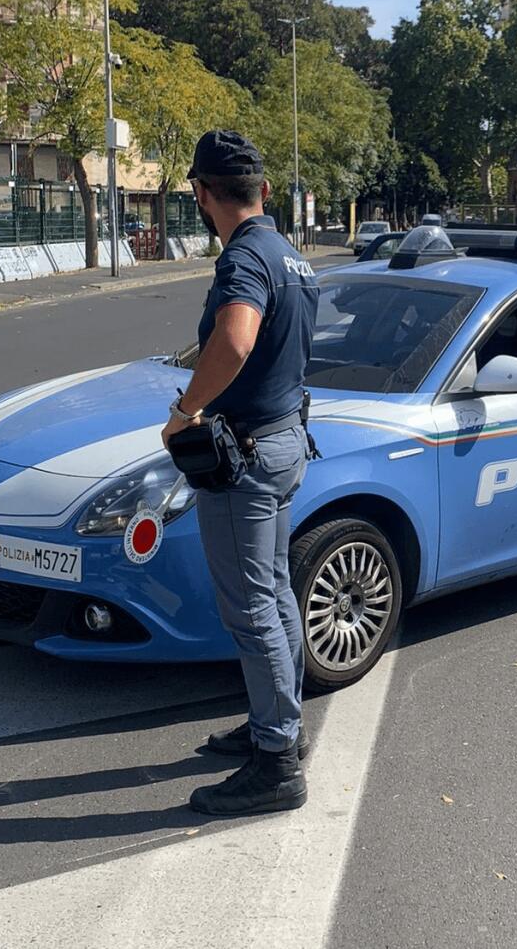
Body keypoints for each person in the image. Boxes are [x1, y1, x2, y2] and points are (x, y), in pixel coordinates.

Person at [161, 130, 318, 817]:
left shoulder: (244, 259)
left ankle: (277, 762)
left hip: (245, 457)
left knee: (250, 608)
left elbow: (236, 339)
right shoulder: (290, 255)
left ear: (202, 193)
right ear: (264, 189)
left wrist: (185, 409)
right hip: (284, 442)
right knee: (275, 591)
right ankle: (278, 725)